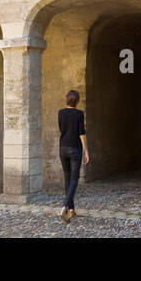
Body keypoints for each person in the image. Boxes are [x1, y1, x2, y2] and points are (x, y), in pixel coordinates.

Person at [58, 89, 89, 223]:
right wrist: (86, 150)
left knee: (67, 178)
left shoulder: (60, 113)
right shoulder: (79, 114)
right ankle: (65, 206)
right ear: (77, 101)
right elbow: (81, 133)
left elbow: (61, 128)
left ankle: (71, 210)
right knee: (74, 179)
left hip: (62, 148)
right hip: (75, 150)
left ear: (66, 99)